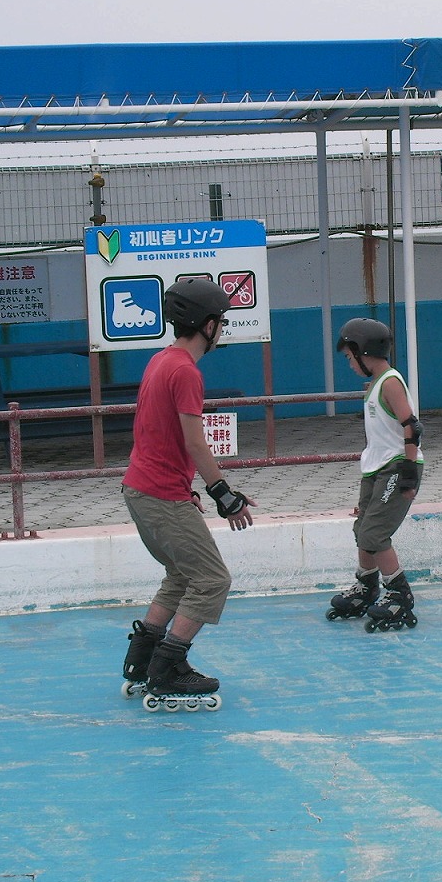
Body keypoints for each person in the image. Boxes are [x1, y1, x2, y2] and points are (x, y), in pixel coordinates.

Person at [120, 277, 257, 708]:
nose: (222, 330)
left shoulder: (161, 360)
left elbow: (156, 431)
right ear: (208, 325)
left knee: (181, 575)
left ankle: (141, 660)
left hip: (142, 488)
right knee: (213, 579)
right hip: (160, 493)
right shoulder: (185, 371)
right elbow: (196, 442)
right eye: (222, 323)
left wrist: (186, 487)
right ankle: (168, 668)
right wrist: (223, 494)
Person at [325, 317, 424, 632]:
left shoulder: (391, 382)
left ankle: (399, 594)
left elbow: (412, 426)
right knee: (362, 529)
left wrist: (408, 471)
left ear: (362, 351)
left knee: (375, 534)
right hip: (376, 468)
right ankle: (367, 586)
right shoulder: (377, 384)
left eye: (349, 357)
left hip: (397, 466)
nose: (349, 363)